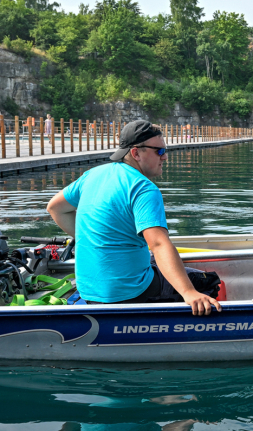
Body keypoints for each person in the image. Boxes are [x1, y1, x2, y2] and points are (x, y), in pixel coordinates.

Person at [45, 120, 220, 314]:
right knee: (208, 283)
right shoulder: (143, 188)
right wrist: (188, 292)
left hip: (89, 291)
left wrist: (93, 237)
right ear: (136, 153)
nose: (165, 158)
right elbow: (159, 244)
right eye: (159, 151)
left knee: (154, 261)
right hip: (127, 293)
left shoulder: (92, 175)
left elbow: (55, 208)